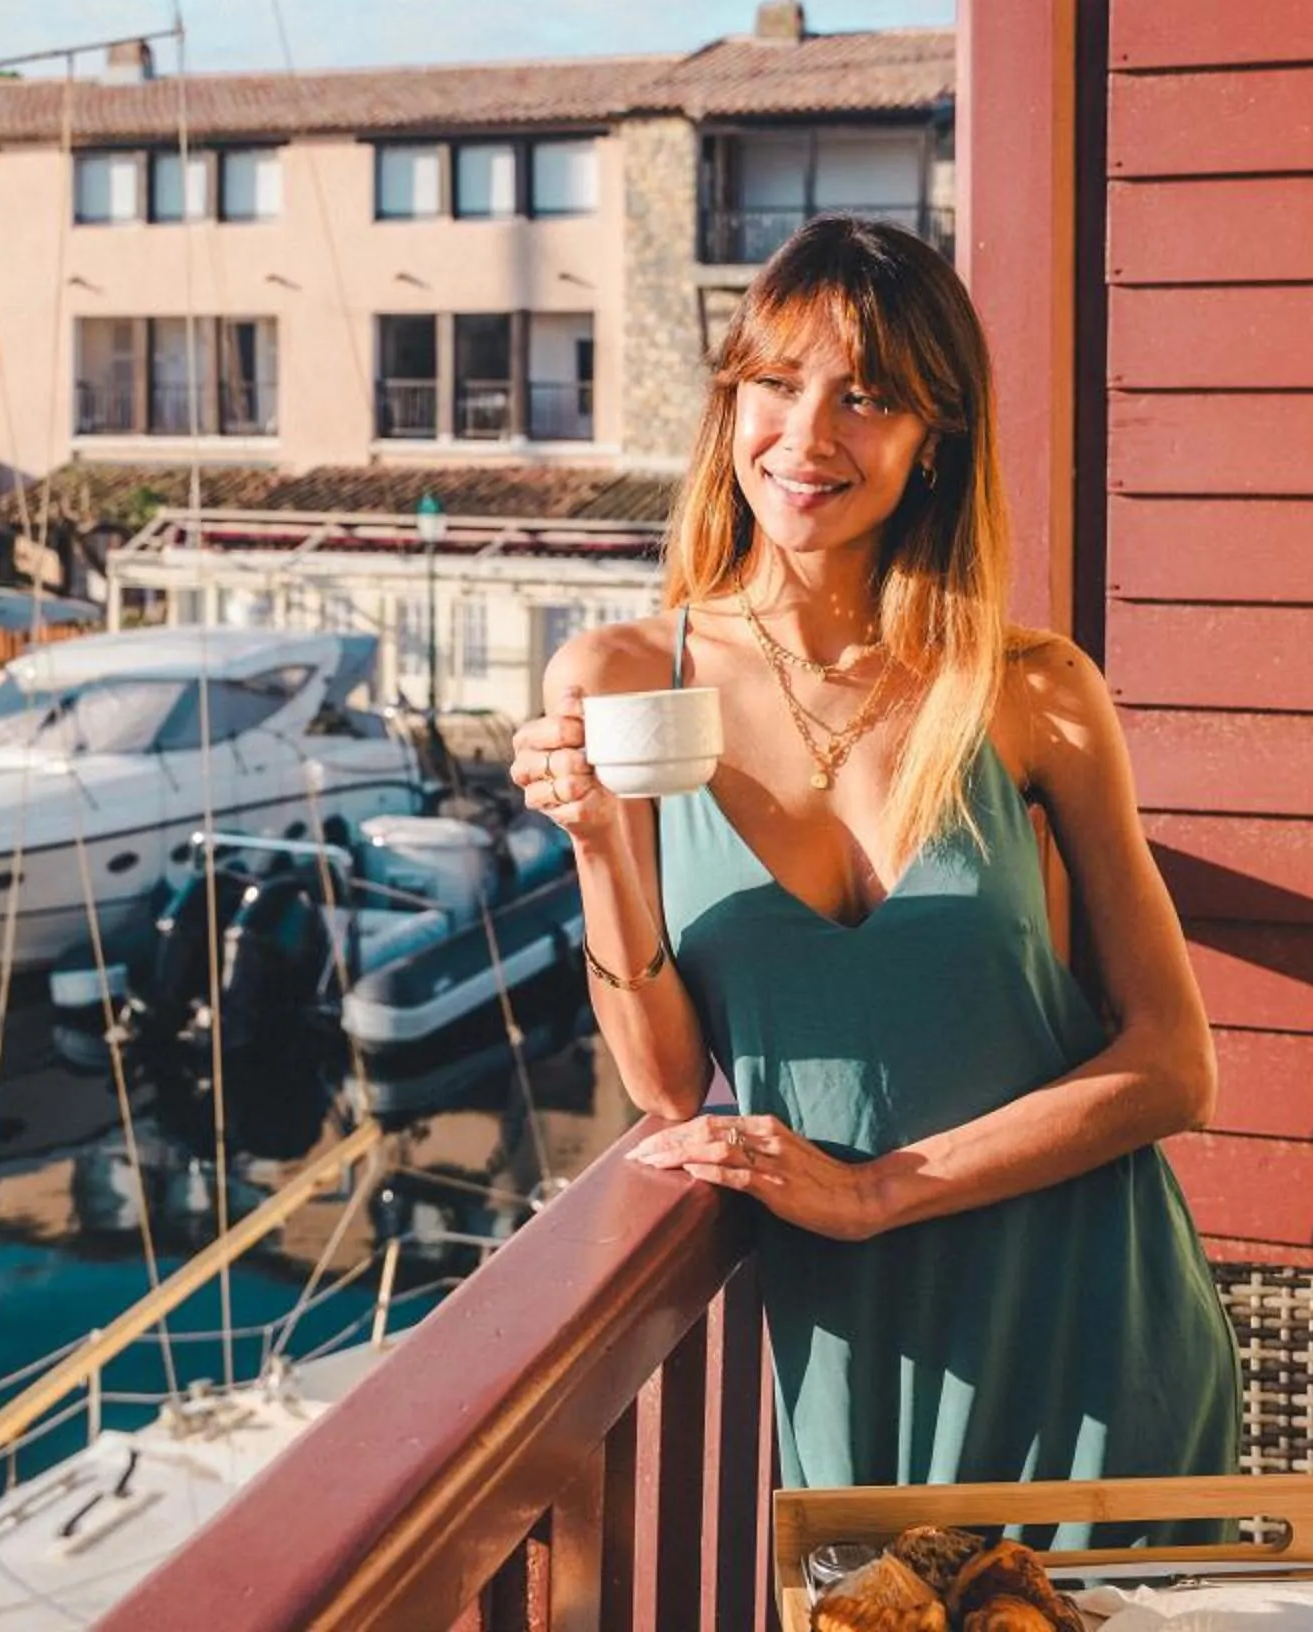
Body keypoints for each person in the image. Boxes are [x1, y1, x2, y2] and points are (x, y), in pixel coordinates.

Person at [510, 215, 1238, 1521]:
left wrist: (875, 1190)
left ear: (933, 440)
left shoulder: (1036, 692)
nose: (808, 435)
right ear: (730, 401)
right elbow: (669, 1082)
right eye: (777, 384)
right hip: (859, 1340)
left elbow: (1174, 1062)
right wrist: (595, 841)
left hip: (1095, 1321)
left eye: (870, 398)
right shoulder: (620, 679)